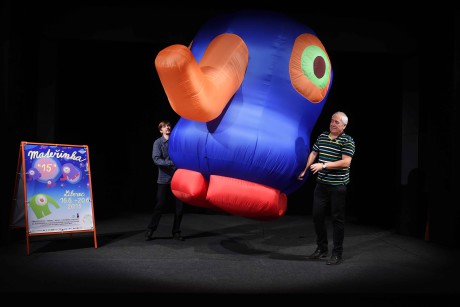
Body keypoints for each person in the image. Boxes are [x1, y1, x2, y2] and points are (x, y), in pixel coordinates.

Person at [298, 111, 355, 265]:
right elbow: (314, 152)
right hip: (322, 185)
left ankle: (337, 253)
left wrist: (323, 165)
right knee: (317, 216)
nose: (332, 124)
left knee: (337, 220)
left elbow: (345, 163)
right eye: (332, 120)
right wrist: (305, 169)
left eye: (337, 122)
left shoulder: (347, 140)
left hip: (338, 186)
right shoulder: (323, 136)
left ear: (344, 126)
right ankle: (322, 248)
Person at [145, 120, 185, 241]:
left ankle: (176, 232)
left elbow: (183, 155)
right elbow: (156, 159)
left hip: (178, 178)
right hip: (163, 179)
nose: (167, 127)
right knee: (160, 205)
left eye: (169, 126)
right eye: (164, 126)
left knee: (180, 207)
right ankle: (150, 230)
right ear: (161, 130)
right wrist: (172, 163)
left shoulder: (176, 141)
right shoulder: (158, 143)